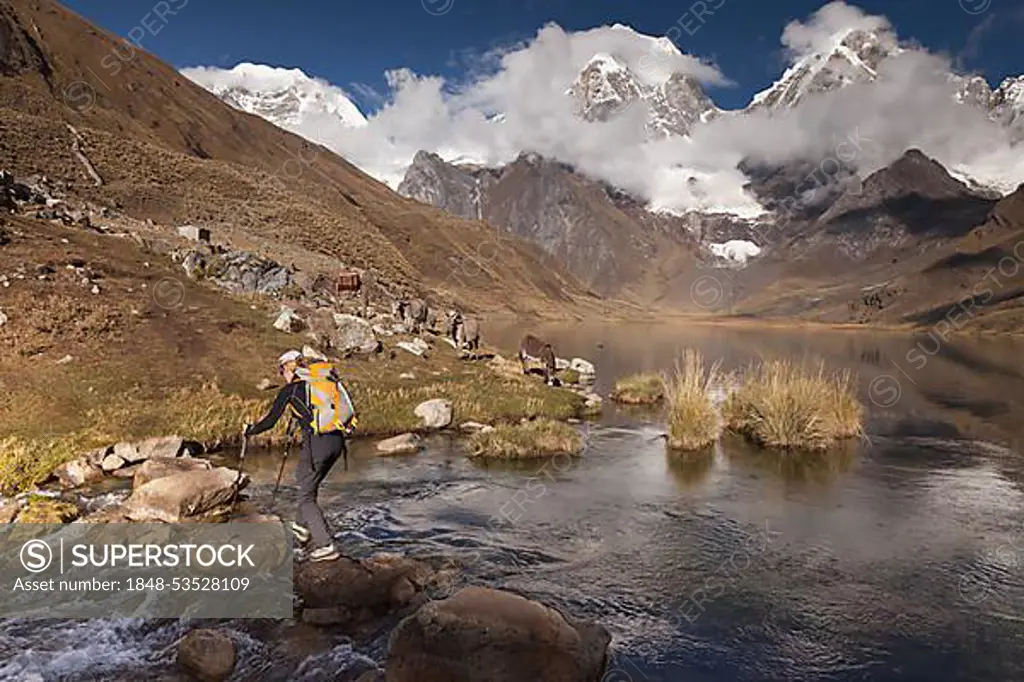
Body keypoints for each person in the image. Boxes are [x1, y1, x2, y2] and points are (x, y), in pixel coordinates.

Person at [243, 349, 344, 562]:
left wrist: (250, 430)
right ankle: (301, 528)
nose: (282, 375)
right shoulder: (319, 383)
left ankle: (326, 545)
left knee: (306, 496)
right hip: (336, 442)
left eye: (281, 370)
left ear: (288, 369)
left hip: (318, 443)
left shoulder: (290, 390)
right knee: (305, 480)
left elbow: (270, 421)